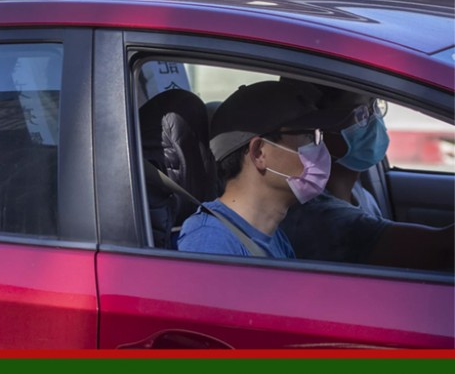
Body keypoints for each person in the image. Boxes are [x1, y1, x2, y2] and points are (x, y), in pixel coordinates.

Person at [280, 82, 454, 271]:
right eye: (361, 113)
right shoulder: (319, 217)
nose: (375, 119)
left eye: (375, 106)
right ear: (318, 128)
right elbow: (442, 251)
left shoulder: (358, 192)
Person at [177, 80, 347, 257]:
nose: (321, 149)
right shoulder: (211, 241)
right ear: (259, 153)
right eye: (309, 136)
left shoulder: (273, 236)